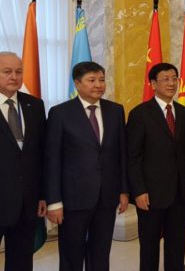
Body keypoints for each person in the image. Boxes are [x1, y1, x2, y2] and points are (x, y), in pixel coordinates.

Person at [45, 61, 129, 271]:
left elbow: (121, 154)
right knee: (71, 255)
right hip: (73, 198)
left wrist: (123, 190)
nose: (98, 85)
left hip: (106, 196)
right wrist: (54, 202)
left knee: (100, 253)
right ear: (77, 83)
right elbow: (52, 159)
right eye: (92, 80)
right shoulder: (60, 113)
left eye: (101, 80)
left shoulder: (115, 111)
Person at [126, 63, 185, 271]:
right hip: (150, 195)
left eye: (174, 78)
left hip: (180, 194)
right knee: (149, 247)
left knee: (177, 247)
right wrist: (138, 190)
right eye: (166, 79)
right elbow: (133, 157)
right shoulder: (140, 114)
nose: (171, 83)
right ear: (153, 84)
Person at [0, 52, 46, 270]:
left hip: (26, 202)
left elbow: (42, 154)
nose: (14, 76)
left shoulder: (35, 105)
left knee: (21, 261)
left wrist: (43, 195)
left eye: (18, 72)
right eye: (7, 71)